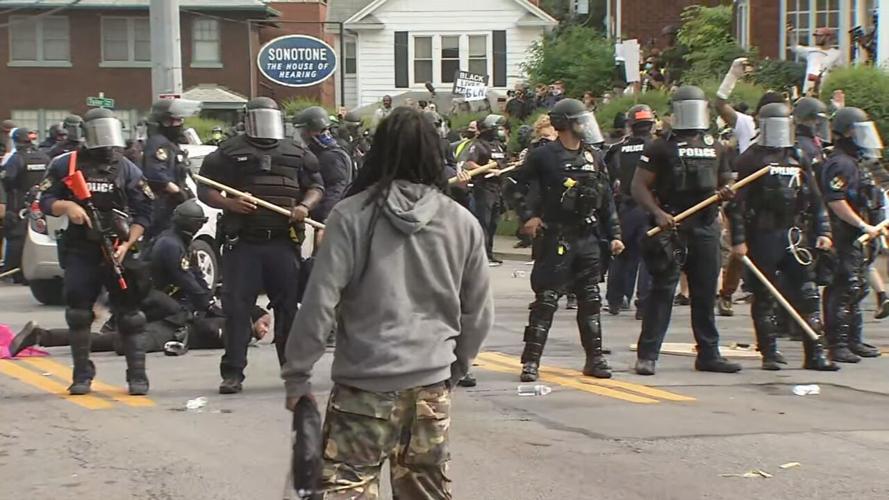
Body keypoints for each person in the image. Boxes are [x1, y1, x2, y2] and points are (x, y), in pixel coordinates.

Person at [281, 106, 493, 499]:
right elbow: (479, 312)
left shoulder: (350, 216)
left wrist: (298, 376)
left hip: (362, 390)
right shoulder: (462, 222)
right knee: (425, 491)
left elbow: (320, 303)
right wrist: (454, 369)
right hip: (430, 388)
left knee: (347, 488)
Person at [198, 97, 324, 394]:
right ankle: (233, 374)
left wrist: (305, 207)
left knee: (288, 311)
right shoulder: (228, 153)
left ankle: (292, 371)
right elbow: (205, 188)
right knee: (237, 310)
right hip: (244, 244)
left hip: (283, 243)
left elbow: (317, 186)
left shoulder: (296, 152)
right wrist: (230, 203)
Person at [38, 108, 154, 395]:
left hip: (118, 249)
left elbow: (144, 213)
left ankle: (137, 376)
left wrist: (128, 244)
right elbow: (45, 200)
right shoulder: (65, 164)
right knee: (79, 313)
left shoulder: (127, 167)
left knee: (130, 315)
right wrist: (68, 207)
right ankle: (82, 376)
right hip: (81, 248)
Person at [631, 85, 741, 376]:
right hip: (672, 226)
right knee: (663, 291)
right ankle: (648, 355)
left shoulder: (716, 145)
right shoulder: (660, 146)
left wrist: (726, 191)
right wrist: (658, 213)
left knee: (705, 293)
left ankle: (708, 353)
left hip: (705, 226)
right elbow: (639, 185)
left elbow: (725, 179)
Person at [514, 98, 623, 382]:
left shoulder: (594, 157)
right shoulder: (544, 156)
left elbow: (607, 199)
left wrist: (614, 235)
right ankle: (531, 361)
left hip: (587, 236)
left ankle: (595, 358)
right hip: (555, 235)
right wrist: (528, 216)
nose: (584, 125)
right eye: (578, 120)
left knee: (590, 298)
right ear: (564, 123)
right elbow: (514, 186)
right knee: (547, 300)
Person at [726, 103, 838, 371]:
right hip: (763, 234)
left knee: (808, 292)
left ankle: (815, 353)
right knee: (765, 294)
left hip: (794, 233)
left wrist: (823, 230)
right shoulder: (750, 159)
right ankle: (770, 352)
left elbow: (814, 197)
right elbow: (736, 205)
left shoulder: (797, 155)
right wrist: (738, 240)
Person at [820, 107, 885, 362]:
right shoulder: (841, 163)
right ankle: (837, 344)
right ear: (848, 132)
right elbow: (836, 200)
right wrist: (861, 224)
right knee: (843, 287)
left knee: (855, 287)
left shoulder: (856, 161)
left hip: (857, 235)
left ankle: (853, 340)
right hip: (844, 234)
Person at [605, 105, 656, 319]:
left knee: (621, 255)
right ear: (651, 124)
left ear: (630, 125)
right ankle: (644, 304)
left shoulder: (618, 148)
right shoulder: (656, 147)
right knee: (649, 257)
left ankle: (615, 300)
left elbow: (608, 176)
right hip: (651, 205)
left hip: (625, 206)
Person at [295, 106, 354, 243]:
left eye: (303, 131)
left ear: (312, 131)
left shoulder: (330, 156)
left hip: (331, 222)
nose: (302, 135)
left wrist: (326, 221)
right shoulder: (332, 150)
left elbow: (337, 188)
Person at [142, 99, 199, 239]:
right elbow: (155, 174)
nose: (179, 125)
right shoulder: (158, 142)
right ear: (164, 122)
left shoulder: (171, 144)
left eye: (180, 120)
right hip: (162, 206)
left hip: (170, 205)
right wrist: (177, 192)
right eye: (175, 121)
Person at [1, 128, 51, 281]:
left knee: (16, 236)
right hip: (40, 202)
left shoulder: (17, 159)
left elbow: (7, 179)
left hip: (19, 203)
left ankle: (14, 272)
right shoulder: (44, 157)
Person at [465, 114, 509, 266]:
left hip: (497, 188)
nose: (500, 131)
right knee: (484, 222)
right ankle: (482, 255)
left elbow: (503, 162)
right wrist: (485, 169)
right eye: (498, 128)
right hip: (483, 188)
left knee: (493, 223)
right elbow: (470, 164)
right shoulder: (478, 145)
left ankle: (490, 253)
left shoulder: (498, 145)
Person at [789, 26, 841, 96]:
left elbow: (839, 72)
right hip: (808, 90)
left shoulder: (836, 54)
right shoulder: (811, 51)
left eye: (819, 36)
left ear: (828, 37)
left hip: (825, 92)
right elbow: (794, 48)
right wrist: (790, 33)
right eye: (816, 36)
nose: (816, 38)